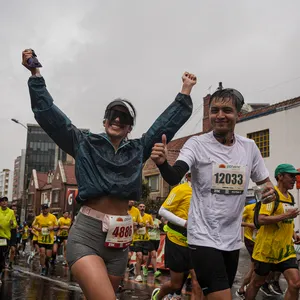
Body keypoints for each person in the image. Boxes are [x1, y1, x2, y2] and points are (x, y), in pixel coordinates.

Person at [22, 48, 196, 300]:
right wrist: (35, 74)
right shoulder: (83, 142)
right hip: (87, 235)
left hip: (120, 242)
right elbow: (50, 116)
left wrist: (185, 92)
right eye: (112, 116)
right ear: (104, 121)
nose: (117, 120)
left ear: (129, 127)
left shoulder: (138, 149)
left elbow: (164, 125)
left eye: (124, 118)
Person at [151, 87, 276, 300]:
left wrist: (269, 192)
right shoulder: (197, 144)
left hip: (232, 240)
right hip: (202, 238)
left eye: (226, 110)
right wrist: (163, 164)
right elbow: (175, 175)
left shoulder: (249, 147)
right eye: (214, 110)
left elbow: (265, 183)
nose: (220, 116)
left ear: (238, 114)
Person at [246, 164, 300, 300]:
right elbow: (261, 219)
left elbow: (288, 221)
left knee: (295, 284)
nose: (294, 179)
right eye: (291, 176)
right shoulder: (271, 195)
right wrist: (286, 216)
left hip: (285, 251)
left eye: (295, 176)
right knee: (257, 283)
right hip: (266, 250)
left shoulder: (290, 197)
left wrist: (293, 234)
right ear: (280, 176)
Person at [152, 173, 203, 300]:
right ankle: (158, 296)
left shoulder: (205, 192)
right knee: (176, 285)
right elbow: (162, 211)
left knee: (197, 282)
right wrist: (185, 223)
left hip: (195, 242)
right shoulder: (181, 189)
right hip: (176, 240)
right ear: (188, 176)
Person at [32, 204, 58, 275]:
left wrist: (52, 228)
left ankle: (46, 263)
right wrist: (37, 228)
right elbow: (33, 225)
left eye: (46, 208)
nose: (45, 210)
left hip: (49, 240)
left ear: (48, 209)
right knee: (42, 254)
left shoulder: (53, 217)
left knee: (48, 256)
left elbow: (57, 225)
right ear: (42, 210)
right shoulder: (38, 217)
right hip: (41, 239)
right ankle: (43, 267)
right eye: (44, 209)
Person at [132, 203, 153, 282]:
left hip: (145, 239)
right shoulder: (136, 215)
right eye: (140, 206)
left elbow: (153, 226)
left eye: (143, 206)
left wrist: (149, 226)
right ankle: (138, 275)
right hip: (137, 239)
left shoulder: (148, 216)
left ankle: (136, 266)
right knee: (139, 256)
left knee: (144, 259)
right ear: (138, 208)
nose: (142, 208)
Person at [0, 197, 17, 284]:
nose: (4, 203)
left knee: (2, 254)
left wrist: (12, 223)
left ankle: (2, 268)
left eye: (5, 201)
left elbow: (14, 225)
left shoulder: (11, 212)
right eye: (2, 201)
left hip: (5, 237)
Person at [146, 210, 162, 279]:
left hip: (157, 239)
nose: (153, 216)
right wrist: (150, 226)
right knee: (153, 255)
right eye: (152, 214)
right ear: (150, 214)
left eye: (155, 214)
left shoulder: (158, 221)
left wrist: (160, 227)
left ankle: (145, 267)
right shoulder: (147, 220)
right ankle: (155, 271)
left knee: (150, 256)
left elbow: (162, 227)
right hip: (149, 239)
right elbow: (145, 226)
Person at [128, 200, 142, 277]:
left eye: (133, 200)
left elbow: (141, 223)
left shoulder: (136, 210)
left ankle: (138, 275)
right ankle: (129, 266)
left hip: (135, 237)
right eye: (130, 199)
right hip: (125, 237)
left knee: (140, 255)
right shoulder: (121, 208)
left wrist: (137, 224)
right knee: (128, 256)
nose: (132, 201)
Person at [8, 205, 20, 269]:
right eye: (13, 209)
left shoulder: (17, 217)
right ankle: (3, 262)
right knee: (4, 250)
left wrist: (17, 228)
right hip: (6, 233)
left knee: (13, 250)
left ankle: (10, 263)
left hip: (14, 234)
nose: (14, 211)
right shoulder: (7, 215)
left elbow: (18, 225)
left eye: (15, 209)